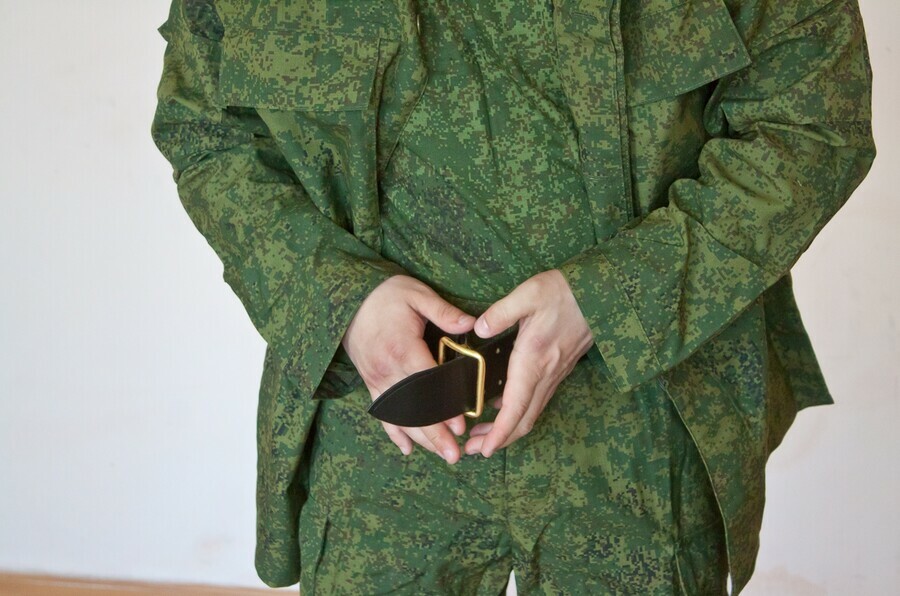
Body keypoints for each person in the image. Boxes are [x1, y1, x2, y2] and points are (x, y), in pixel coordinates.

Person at [151, 0, 875, 593]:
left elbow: (811, 121)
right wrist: (338, 299)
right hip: (382, 431)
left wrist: (609, 299)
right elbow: (207, 129)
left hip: (640, 431)